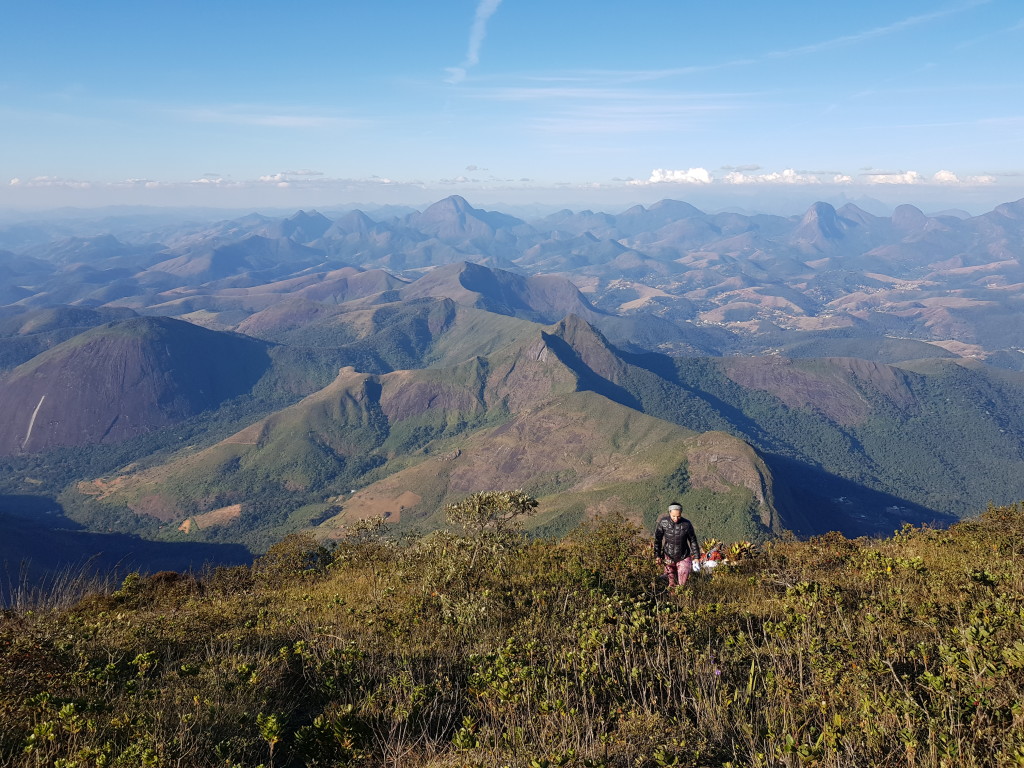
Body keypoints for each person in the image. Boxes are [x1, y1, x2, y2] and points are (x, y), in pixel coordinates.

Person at [654, 502, 701, 587]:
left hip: (683, 556)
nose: (676, 518)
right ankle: (672, 599)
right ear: (669, 513)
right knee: (671, 583)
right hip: (668, 556)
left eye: (678, 516)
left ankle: (683, 598)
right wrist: (657, 555)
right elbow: (658, 540)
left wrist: (697, 557)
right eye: (673, 516)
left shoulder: (686, 524)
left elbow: (692, 540)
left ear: (681, 514)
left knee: (682, 584)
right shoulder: (663, 522)